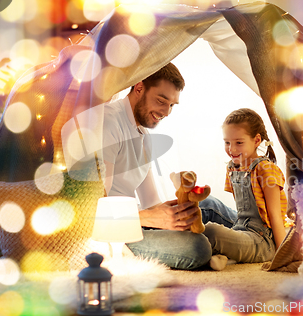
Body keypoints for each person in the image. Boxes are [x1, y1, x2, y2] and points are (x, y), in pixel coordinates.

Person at [101, 62, 236, 270]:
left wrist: (172, 212)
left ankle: (261, 233)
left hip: (137, 218)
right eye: (161, 101)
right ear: (139, 87)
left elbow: (150, 201)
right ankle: (238, 243)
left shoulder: (143, 135)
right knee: (197, 247)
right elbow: (94, 211)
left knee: (208, 205)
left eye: (172, 105)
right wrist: (150, 217)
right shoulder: (108, 123)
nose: (166, 112)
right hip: (114, 231)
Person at [202, 108, 289, 270]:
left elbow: (275, 217)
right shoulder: (232, 168)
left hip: (263, 240)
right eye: (227, 142)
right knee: (203, 209)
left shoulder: (266, 169)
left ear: (256, 140)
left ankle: (225, 253)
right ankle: (226, 256)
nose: (231, 149)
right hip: (241, 227)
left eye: (239, 143)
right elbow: (241, 212)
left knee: (211, 231)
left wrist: (283, 255)